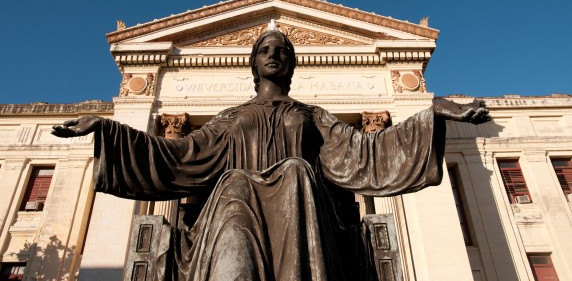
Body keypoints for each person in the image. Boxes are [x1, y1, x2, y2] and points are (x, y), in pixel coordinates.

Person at [52, 30, 489, 281]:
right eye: (265, 50)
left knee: (297, 170)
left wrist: (428, 115)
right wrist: (107, 129)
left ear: (293, 64)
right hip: (234, 214)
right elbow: (179, 154)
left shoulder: (312, 116)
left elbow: (365, 153)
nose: (274, 55)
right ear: (253, 63)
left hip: (301, 217)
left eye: (282, 50)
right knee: (236, 182)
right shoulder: (230, 118)